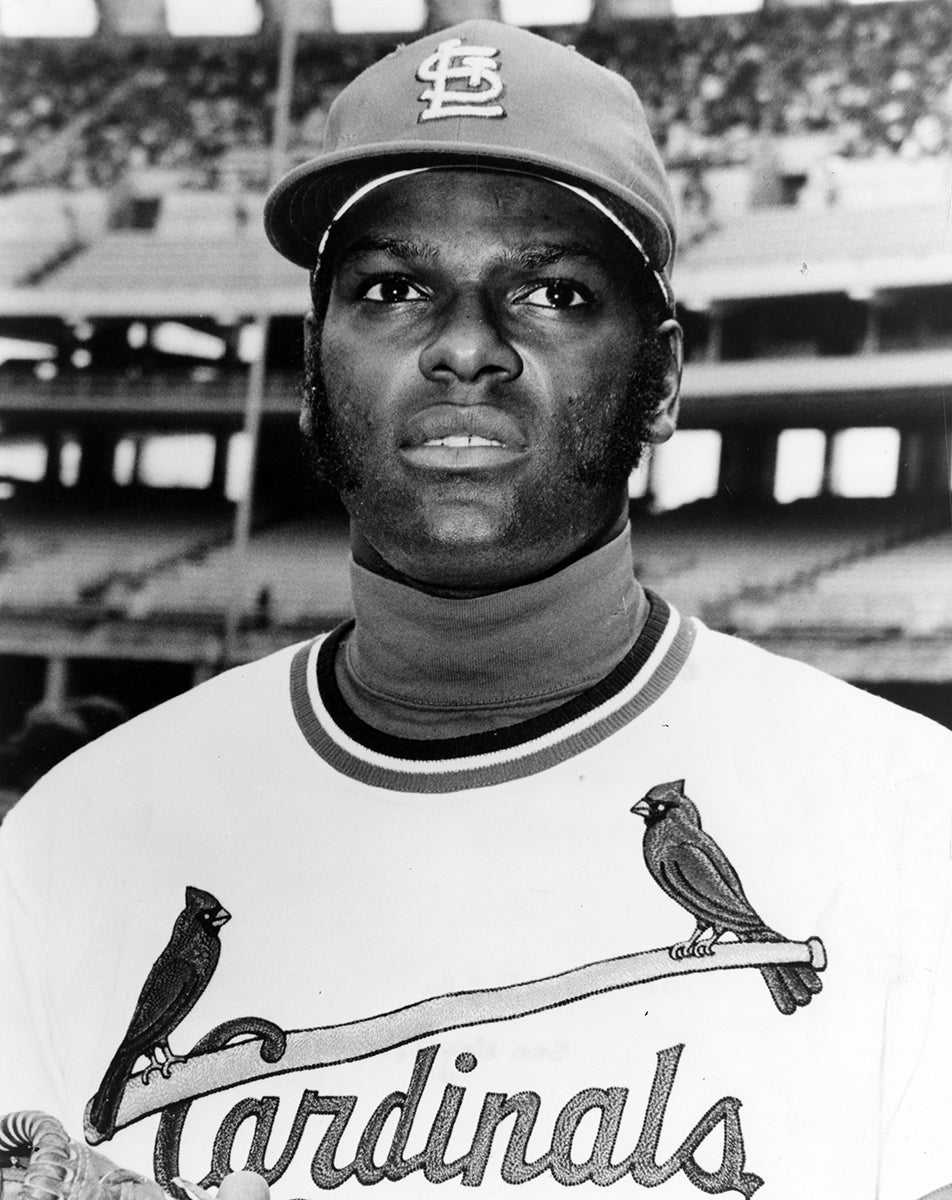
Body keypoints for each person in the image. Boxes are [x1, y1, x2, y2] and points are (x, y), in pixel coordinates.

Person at [2, 20, 952, 1200]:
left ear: (659, 381)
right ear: (311, 373)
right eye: (394, 288)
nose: (463, 347)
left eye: (551, 291)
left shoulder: (915, 823)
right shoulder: (70, 840)